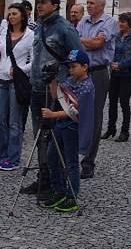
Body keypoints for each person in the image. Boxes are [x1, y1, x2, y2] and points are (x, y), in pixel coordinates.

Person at [22, 0, 84, 201]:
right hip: (38, 89)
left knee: (56, 139)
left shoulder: (65, 29)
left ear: (55, 5)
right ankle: (44, 177)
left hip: (57, 91)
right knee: (40, 135)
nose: (39, 5)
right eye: (37, 1)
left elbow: (77, 60)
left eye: (44, 1)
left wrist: (63, 80)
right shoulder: (39, 26)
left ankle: (59, 184)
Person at [40, 49, 94, 213]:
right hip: (60, 126)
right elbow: (57, 96)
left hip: (73, 128)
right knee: (52, 158)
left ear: (85, 67)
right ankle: (59, 191)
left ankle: (72, 195)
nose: (71, 70)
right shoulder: (70, 81)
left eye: (74, 66)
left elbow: (74, 111)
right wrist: (52, 79)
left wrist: (52, 114)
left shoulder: (87, 87)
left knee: (71, 163)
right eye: (69, 67)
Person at [77, 0, 117, 179]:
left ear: (101, 6)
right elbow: (76, 45)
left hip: (98, 72)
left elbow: (97, 44)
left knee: (94, 117)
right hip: (79, 72)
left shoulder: (109, 22)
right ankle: (73, 155)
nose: (89, 6)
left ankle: (88, 162)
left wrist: (83, 41)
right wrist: (87, 42)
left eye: (92, 3)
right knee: (74, 113)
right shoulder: (83, 21)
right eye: (87, 3)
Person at [0, 3, 34, 171]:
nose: (11, 16)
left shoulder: (30, 35)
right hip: (1, 79)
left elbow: (34, 60)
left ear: (23, 16)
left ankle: (13, 158)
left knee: (14, 122)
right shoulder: (4, 32)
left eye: (14, 14)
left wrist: (20, 70)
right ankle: (3, 155)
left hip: (16, 82)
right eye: (9, 14)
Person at [103, 12, 131, 142]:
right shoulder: (116, 36)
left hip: (127, 74)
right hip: (114, 74)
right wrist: (111, 62)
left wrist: (121, 65)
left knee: (124, 102)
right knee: (112, 101)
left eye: (123, 22)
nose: (120, 24)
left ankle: (125, 131)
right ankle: (111, 128)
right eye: (120, 21)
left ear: (129, 24)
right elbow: (110, 50)